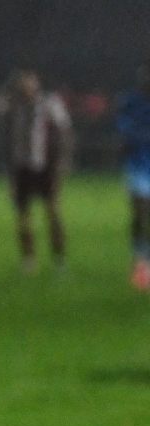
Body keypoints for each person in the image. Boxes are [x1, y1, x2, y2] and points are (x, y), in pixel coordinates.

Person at [0, 70, 73, 274]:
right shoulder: (15, 106)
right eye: (23, 84)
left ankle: (59, 258)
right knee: (23, 216)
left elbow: (64, 132)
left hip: (45, 166)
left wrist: (62, 163)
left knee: (53, 211)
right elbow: (5, 131)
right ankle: (29, 260)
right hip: (22, 167)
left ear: (37, 84)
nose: (26, 87)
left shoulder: (49, 103)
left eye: (30, 83)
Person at [117, 61, 150, 292]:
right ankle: (139, 260)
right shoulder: (130, 102)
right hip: (138, 165)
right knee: (140, 212)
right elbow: (124, 130)